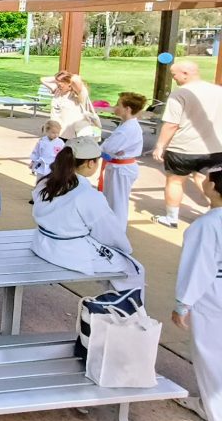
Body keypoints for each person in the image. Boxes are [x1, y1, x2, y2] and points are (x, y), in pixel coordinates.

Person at [30, 136, 143, 291]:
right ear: (90, 163)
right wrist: (125, 250)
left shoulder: (45, 183)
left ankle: (111, 302)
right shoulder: (87, 195)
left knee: (111, 259)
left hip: (41, 243)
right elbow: (109, 233)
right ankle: (119, 306)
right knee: (132, 268)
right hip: (68, 252)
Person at [173, 166, 222, 421]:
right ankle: (208, 403)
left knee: (211, 356)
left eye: (208, 179)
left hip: (213, 296)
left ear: (213, 187)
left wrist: (183, 303)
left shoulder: (208, 225)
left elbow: (198, 268)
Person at [152, 60, 222, 228]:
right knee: (207, 180)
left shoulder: (180, 94)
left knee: (175, 181)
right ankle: (217, 213)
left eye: (174, 74)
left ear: (185, 73)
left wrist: (160, 146)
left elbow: (171, 124)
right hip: (214, 148)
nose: (173, 78)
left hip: (182, 149)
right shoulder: (218, 91)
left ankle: (171, 218)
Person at [99, 92, 146, 230]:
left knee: (117, 203)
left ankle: (118, 232)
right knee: (111, 200)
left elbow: (109, 147)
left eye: (118, 105)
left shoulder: (128, 128)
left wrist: (105, 149)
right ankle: (110, 229)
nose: (115, 107)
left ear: (127, 109)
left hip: (121, 169)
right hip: (117, 166)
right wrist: (108, 149)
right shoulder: (126, 125)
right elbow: (110, 147)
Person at [41, 70, 98, 140]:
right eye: (58, 82)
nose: (59, 84)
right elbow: (43, 79)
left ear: (70, 83)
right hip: (55, 133)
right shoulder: (57, 91)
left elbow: (75, 79)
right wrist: (58, 78)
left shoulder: (77, 94)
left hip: (70, 136)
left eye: (62, 82)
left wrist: (67, 76)